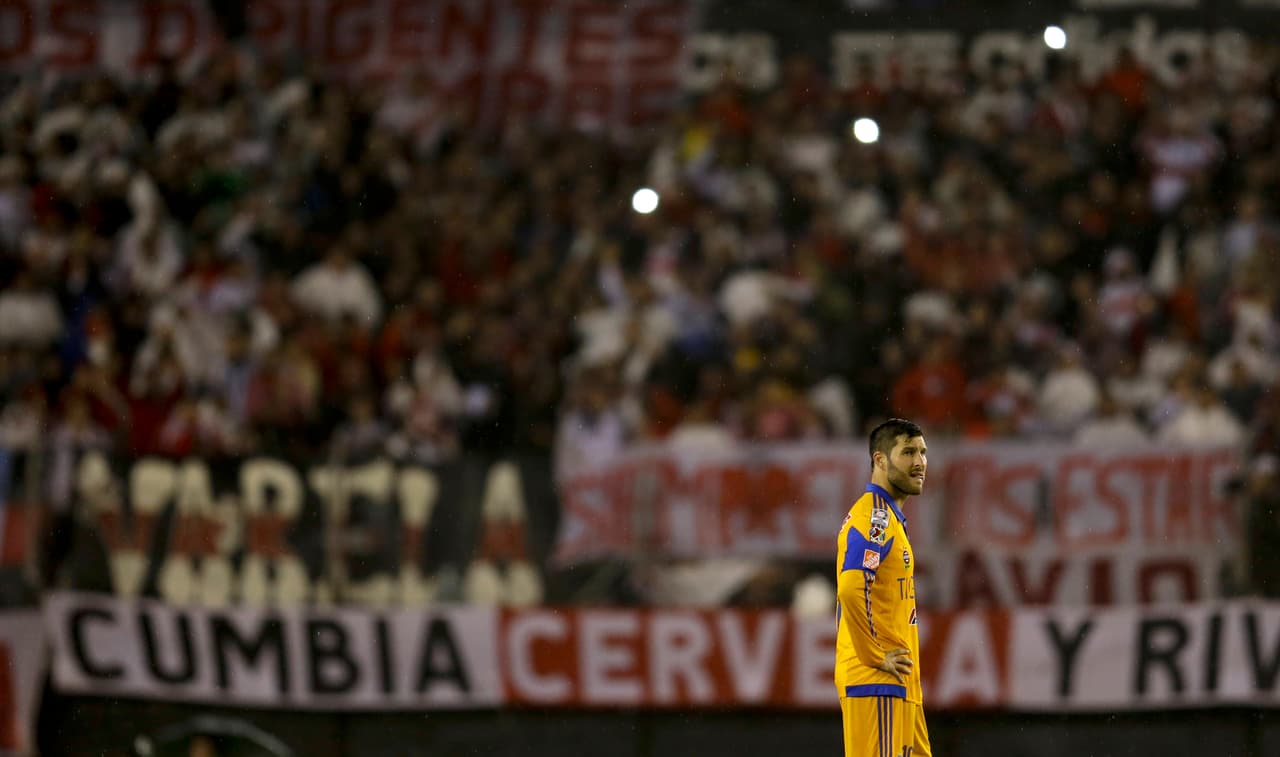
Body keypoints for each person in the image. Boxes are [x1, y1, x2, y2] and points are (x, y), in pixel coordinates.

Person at [836, 418, 931, 757]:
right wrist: (875, 656)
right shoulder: (874, 519)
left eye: (922, 452)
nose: (919, 462)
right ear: (880, 460)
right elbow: (852, 585)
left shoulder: (889, 519)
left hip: (900, 681)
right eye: (908, 452)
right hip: (876, 679)